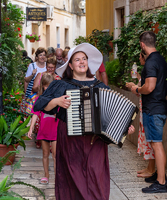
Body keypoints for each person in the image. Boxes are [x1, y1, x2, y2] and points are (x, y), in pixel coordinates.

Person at [33, 43, 135, 199]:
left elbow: (113, 114)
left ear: (88, 63)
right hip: (70, 142)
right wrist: (57, 102)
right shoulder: (61, 85)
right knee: (72, 180)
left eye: (84, 59)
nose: (81, 62)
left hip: (96, 142)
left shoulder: (100, 86)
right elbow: (39, 104)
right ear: (71, 66)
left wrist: (125, 127)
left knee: (96, 179)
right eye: (77, 60)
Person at [131, 31, 167, 193]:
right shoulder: (161, 60)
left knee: (156, 144)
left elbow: (150, 87)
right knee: (155, 143)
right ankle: (159, 176)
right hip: (158, 107)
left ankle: (161, 183)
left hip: (153, 109)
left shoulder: (151, 62)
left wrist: (136, 89)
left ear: (142, 45)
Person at [126, 50, 156, 178]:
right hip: (144, 107)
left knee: (150, 139)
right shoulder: (146, 71)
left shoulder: (150, 70)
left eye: (140, 56)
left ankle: (152, 169)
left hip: (148, 108)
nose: (139, 59)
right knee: (146, 138)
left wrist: (134, 87)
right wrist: (137, 78)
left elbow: (144, 89)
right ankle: (149, 167)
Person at [28, 73, 58, 185]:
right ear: (42, 86)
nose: (48, 88)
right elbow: (35, 114)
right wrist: (31, 129)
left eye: (50, 85)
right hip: (44, 130)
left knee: (55, 154)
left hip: (55, 131)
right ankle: (46, 175)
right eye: (46, 85)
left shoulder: (57, 99)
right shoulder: (39, 99)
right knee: (45, 154)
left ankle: (57, 176)